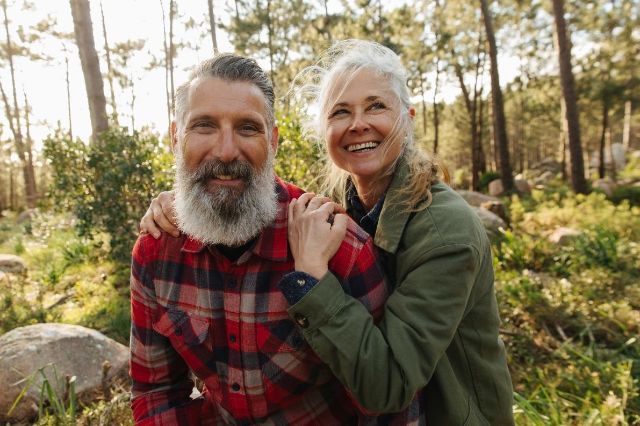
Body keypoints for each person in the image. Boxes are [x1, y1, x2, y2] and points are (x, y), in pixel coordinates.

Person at [141, 41, 515, 425]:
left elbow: (388, 385)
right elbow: (253, 194)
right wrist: (197, 198)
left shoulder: (446, 231)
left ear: (408, 117)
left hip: (448, 413)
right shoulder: (339, 202)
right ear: (324, 129)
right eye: (340, 112)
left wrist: (312, 278)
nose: (358, 124)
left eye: (376, 106)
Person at [130, 53, 390, 425]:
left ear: (272, 140)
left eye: (247, 128)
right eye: (203, 126)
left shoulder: (338, 244)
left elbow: (387, 407)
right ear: (176, 137)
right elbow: (155, 393)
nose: (225, 151)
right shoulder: (156, 251)